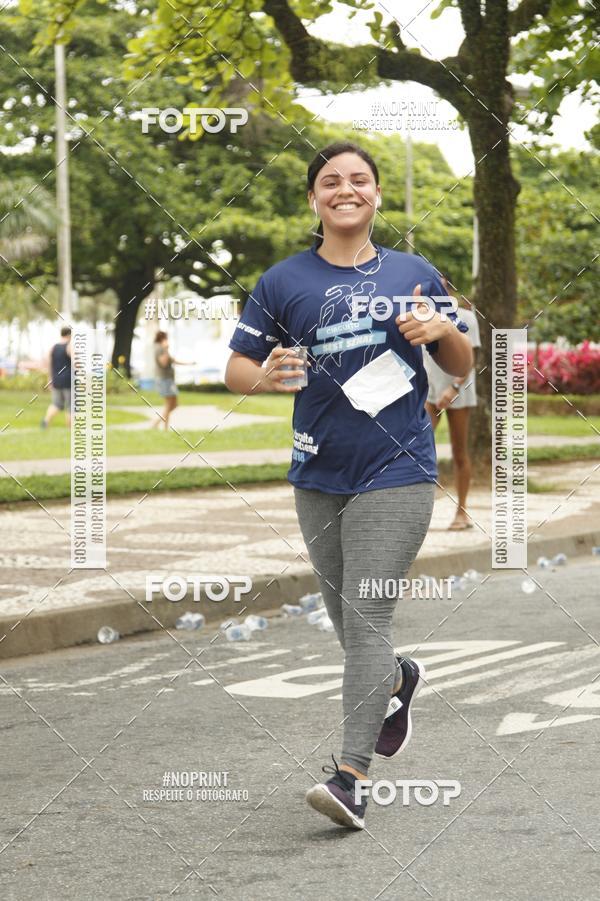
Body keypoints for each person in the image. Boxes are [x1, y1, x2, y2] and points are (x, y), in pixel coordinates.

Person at [224, 141, 472, 830]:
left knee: (366, 619)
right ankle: (396, 677)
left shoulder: (413, 272)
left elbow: (460, 361)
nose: (345, 189)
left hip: (398, 469)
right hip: (317, 472)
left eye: (359, 179)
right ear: (314, 199)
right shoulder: (283, 281)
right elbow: (236, 367)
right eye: (330, 181)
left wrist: (440, 328)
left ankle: (351, 777)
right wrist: (265, 376)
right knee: (346, 624)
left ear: (377, 195)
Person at [424, 276, 481, 530]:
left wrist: (454, 388)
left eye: (440, 286)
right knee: (416, 448)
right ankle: (418, 512)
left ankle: (462, 512)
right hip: (430, 392)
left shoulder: (466, 318)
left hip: (459, 391)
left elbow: (471, 360)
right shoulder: (423, 316)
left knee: (459, 452)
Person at [151, 330, 194, 431]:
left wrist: (189, 363)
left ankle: (159, 424)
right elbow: (164, 363)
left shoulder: (161, 348)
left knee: (174, 404)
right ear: (162, 338)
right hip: (164, 380)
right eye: (166, 338)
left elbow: (173, 361)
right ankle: (162, 426)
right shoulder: (160, 348)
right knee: (169, 404)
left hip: (168, 380)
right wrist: (166, 349)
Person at [41, 326, 72, 428]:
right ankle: (70, 429)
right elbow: (76, 363)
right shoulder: (69, 347)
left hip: (56, 380)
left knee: (56, 404)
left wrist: (50, 379)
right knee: (71, 406)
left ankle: (46, 421)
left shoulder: (53, 348)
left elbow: (48, 364)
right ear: (69, 335)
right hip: (68, 380)